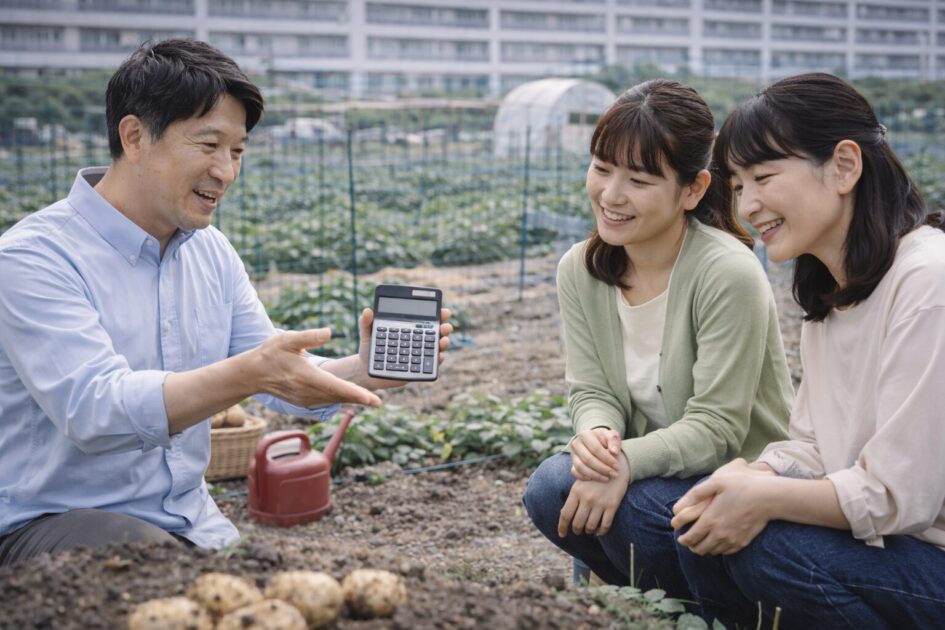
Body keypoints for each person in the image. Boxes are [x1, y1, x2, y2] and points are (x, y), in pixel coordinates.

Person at [0, 39, 452, 566]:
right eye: (209, 145)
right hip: (49, 525)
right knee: (156, 568)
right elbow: (96, 411)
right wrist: (250, 375)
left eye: (237, 151)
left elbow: (275, 368)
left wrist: (365, 368)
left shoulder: (209, 251)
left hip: (190, 522)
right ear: (135, 136)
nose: (226, 171)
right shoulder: (32, 259)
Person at [671, 72, 945, 629]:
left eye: (764, 177)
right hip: (892, 543)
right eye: (738, 184)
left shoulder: (928, 284)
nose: (748, 204)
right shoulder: (833, 296)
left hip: (929, 553)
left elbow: (896, 495)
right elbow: (814, 446)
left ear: (844, 165)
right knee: (704, 524)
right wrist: (753, 475)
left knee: (769, 545)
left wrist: (765, 498)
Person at [522, 79, 793, 594]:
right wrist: (599, 440)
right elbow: (592, 389)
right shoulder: (579, 269)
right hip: (653, 470)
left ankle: (711, 607)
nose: (611, 195)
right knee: (551, 486)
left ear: (692, 189)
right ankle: (655, 598)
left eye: (639, 180)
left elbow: (717, 430)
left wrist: (624, 461)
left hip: (739, 476)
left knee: (643, 506)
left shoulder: (726, 272)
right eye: (602, 169)